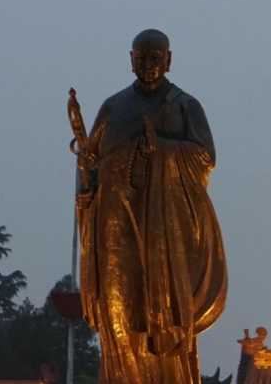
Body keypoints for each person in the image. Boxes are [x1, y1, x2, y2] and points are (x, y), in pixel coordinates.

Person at [72, 29, 227, 384]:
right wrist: (86, 169)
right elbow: (92, 164)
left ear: (169, 60)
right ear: (131, 60)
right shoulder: (113, 107)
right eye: (141, 58)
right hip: (114, 225)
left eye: (156, 58)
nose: (148, 66)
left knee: (163, 324)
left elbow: (205, 158)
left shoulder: (184, 106)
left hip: (164, 235)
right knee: (120, 319)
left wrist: (162, 151)